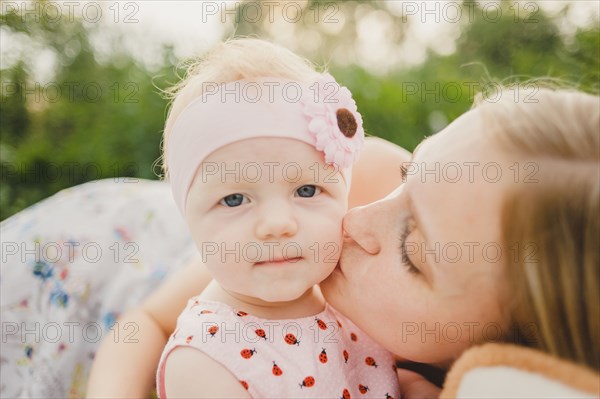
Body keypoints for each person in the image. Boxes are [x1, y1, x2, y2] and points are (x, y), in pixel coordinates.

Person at [87, 82, 599, 397]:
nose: (353, 223)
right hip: (108, 249)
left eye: (411, 253)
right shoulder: (354, 186)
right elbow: (148, 321)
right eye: (409, 175)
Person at [152, 38, 405, 398]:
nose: (277, 224)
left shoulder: (353, 301)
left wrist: (412, 385)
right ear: (188, 217)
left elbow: (380, 374)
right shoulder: (204, 360)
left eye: (306, 191)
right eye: (235, 199)